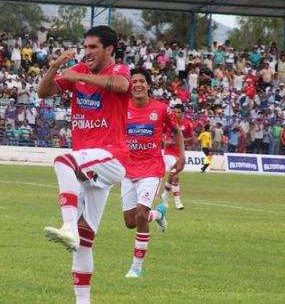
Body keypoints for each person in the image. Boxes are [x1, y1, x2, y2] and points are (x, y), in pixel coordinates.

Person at [38, 26, 130, 304]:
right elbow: (44, 93)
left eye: (93, 47)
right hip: (89, 162)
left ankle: (67, 226)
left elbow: (122, 86)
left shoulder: (121, 70)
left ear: (109, 49)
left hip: (112, 155)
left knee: (62, 160)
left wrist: (78, 76)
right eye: (85, 47)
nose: (87, 52)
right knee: (85, 239)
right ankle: (83, 301)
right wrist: (55, 67)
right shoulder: (77, 69)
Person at [121, 67, 185, 278]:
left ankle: (136, 267)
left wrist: (182, 157)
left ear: (149, 85)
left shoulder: (162, 109)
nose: (138, 84)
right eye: (134, 81)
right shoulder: (122, 107)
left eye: (142, 81)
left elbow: (176, 131)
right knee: (131, 222)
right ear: (129, 87)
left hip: (151, 169)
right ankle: (158, 214)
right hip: (127, 170)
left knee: (140, 214)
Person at [161, 104, 193, 210]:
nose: (176, 114)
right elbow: (160, 132)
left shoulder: (187, 124)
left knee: (172, 175)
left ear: (183, 113)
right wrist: (165, 141)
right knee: (176, 176)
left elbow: (192, 139)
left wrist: (181, 140)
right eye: (175, 112)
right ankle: (177, 202)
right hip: (169, 152)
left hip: (180, 153)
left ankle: (165, 194)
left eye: (179, 112)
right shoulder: (169, 122)